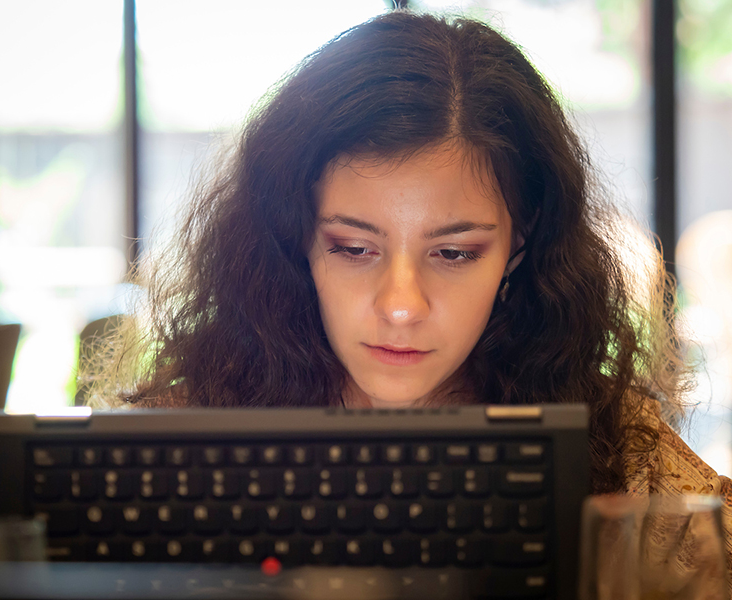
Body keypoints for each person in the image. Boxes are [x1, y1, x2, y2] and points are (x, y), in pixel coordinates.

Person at [86, 9, 731, 581]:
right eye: (353, 248)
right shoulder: (179, 442)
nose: (400, 304)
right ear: (295, 242)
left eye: (453, 253)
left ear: (519, 250)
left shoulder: (618, 454)